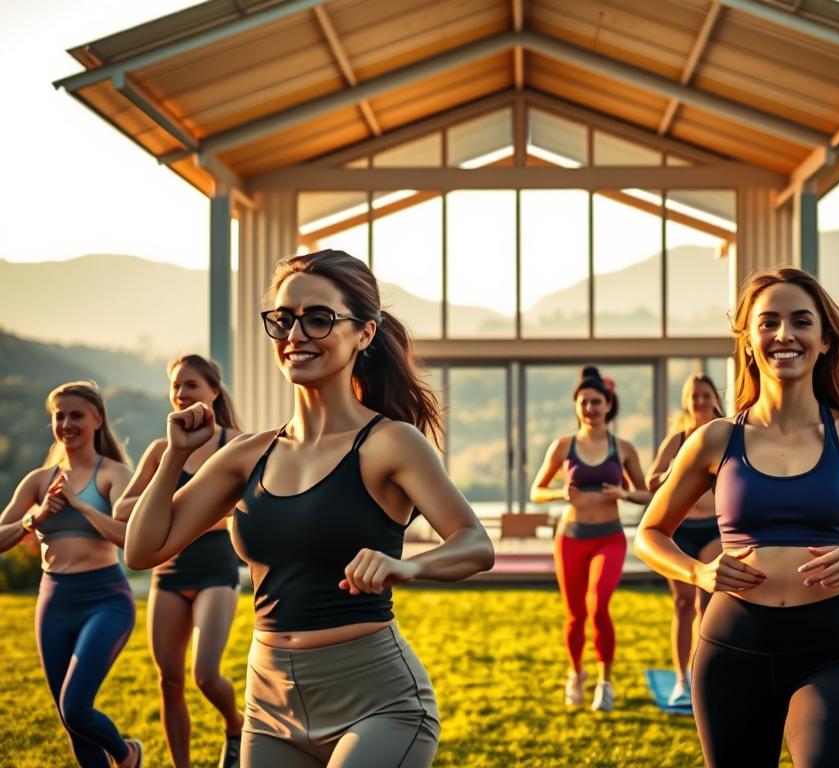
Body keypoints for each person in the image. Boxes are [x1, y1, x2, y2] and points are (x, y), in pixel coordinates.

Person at [126, 249, 494, 767]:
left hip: (377, 703)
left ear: (363, 333)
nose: (296, 335)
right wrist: (174, 458)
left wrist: (407, 565)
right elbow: (142, 549)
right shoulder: (247, 455)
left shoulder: (390, 443)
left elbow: (475, 544)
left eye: (319, 318)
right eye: (283, 319)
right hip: (270, 705)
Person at [635, 268, 839, 768]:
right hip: (731, 647)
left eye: (800, 322)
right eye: (768, 323)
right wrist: (697, 571)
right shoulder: (714, 438)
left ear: (823, 338)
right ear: (749, 342)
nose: (784, 335)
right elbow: (649, 533)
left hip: (828, 648)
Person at [0, 381, 142, 768]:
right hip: (55, 600)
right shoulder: (38, 481)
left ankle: (127, 755)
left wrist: (82, 507)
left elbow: (131, 539)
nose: (66, 423)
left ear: (97, 419)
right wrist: (36, 518)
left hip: (106, 600)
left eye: (76, 414)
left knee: (76, 707)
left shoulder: (115, 474)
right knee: (71, 722)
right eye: (59, 416)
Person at [115, 355, 245, 768]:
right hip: (168, 573)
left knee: (205, 675)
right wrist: (189, 511)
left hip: (216, 573)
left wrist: (175, 520)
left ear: (213, 391)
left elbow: (246, 510)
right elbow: (123, 509)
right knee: (168, 681)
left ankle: (235, 724)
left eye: (190, 385)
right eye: (175, 386)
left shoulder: (236, 443)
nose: (181, 394)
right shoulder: (161, 450)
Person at [530, 365, 652, 712]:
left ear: (608, 404)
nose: (589, 408)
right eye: (583, 402)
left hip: (609, 538)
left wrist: (623, 493)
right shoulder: (564, 445)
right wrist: (559, 495)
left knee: (598, 607)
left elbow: (647, 495)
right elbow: (536, 490)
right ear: (576, 405)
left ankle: (605, 681)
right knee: (574, 615)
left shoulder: (623, 448)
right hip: (570, 537)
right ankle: (576, 672)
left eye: (596, 402)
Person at [645, 373, 724, 709]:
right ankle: (681, 678)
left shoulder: (725, 436)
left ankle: (701, 674)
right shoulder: (677, 441)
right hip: (680, 530)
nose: (700, 401)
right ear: (686, 400)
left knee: (706, 605)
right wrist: (677, 470)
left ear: (713, 399)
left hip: (713, 529)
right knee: (682, 605)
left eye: (705, 395)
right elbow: (651, 481)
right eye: (695, 396)